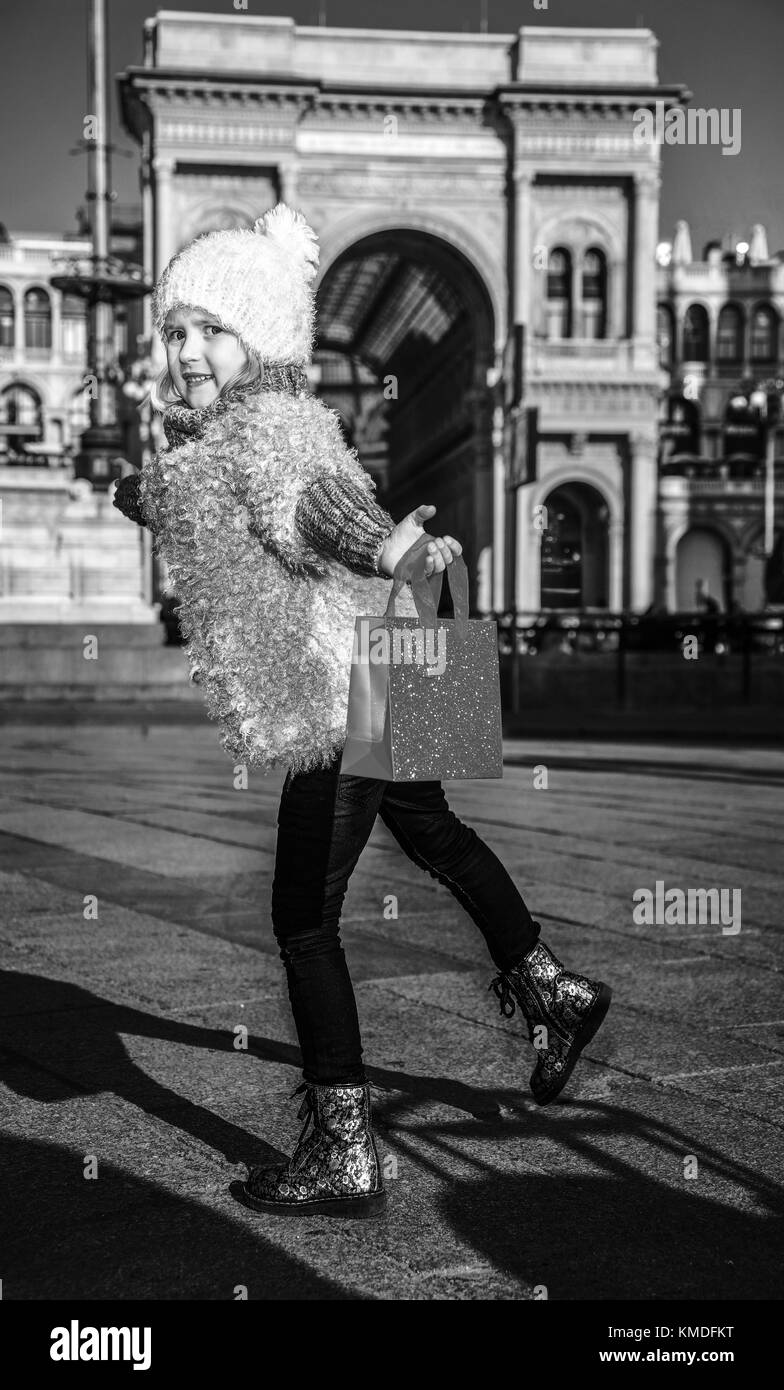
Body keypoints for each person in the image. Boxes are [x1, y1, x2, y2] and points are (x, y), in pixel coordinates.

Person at [113, 204, 612, 1218]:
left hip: (335, 685)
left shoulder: (268, 427)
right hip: (381, 657)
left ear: (259, 330)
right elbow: (194, 498)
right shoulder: (235, 431)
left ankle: (345, 1150)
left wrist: (385, 545)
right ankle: (553, 991)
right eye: (176, 331)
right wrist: (138, 487)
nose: (187, 350)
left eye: (211, 328)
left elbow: (311, 502)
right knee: (429, 825)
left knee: (303, 920)